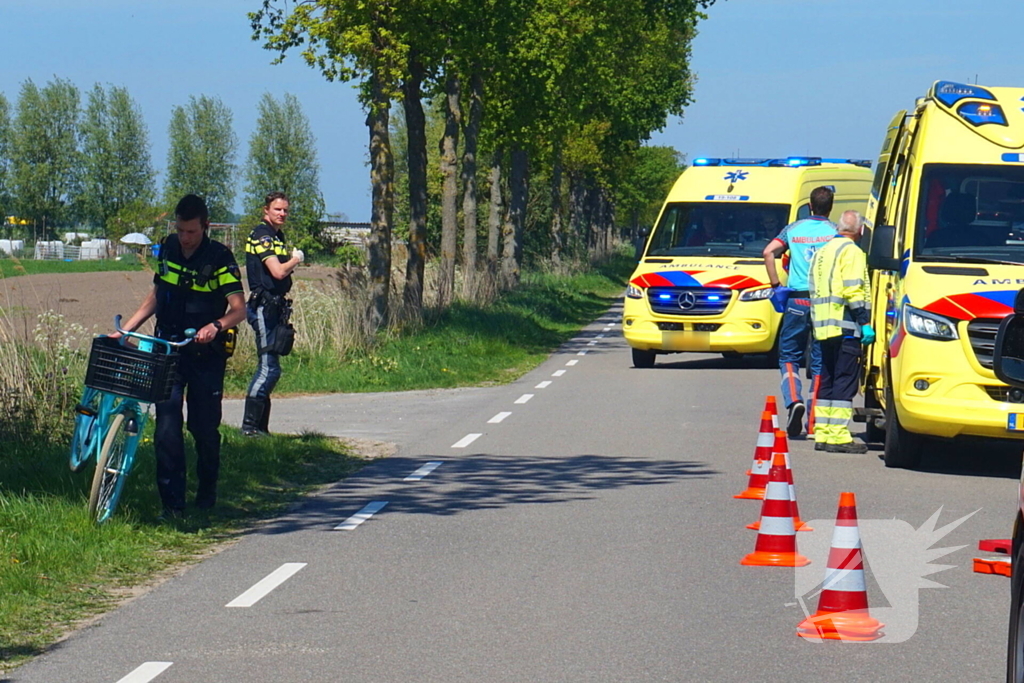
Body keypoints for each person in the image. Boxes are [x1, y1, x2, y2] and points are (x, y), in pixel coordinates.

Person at [118, 194, 247, 517]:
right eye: (180, 230)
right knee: (166, 427)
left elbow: (238, 310)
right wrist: (127, 329)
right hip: (168, 348)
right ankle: (171, 504)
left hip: (205, 354)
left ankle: (206, 493)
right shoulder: (169, 248)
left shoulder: (220, 257)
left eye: (191, 231)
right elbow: (158, 294)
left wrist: (216, 326)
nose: (185, 238)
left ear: (205, 226)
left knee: (203, 429)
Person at [762, 186, 837, 437]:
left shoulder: (793, 230)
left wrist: (776, 286)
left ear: (810, 206)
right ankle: (814, 422)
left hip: (796, 301)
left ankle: (794, 400)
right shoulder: (835, 232)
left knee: (788, 357)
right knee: (819, 362)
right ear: (830, 207)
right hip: (824, 302)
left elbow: (768, 252)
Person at [808, 210, 874, 454]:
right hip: (846, 326)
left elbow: (813, 290)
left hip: (823, 328)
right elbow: (853, 290)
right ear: (860, 230)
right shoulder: (852, 252)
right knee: (845, 382)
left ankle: (823, 433)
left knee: (827, 379)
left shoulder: (822, 252)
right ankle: (838, 437)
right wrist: (864, 322)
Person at [241, 191, 304, 436]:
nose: (282, 214)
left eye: (286, 210)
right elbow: (277, 272)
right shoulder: (262, 235)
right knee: (269, 368)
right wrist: (295, 259)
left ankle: (261, 430)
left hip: (275, 308)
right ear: (266, 210)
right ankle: (249, 427)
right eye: (278, 209)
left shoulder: (277, 236)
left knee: (272, 364)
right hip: (262, 307)